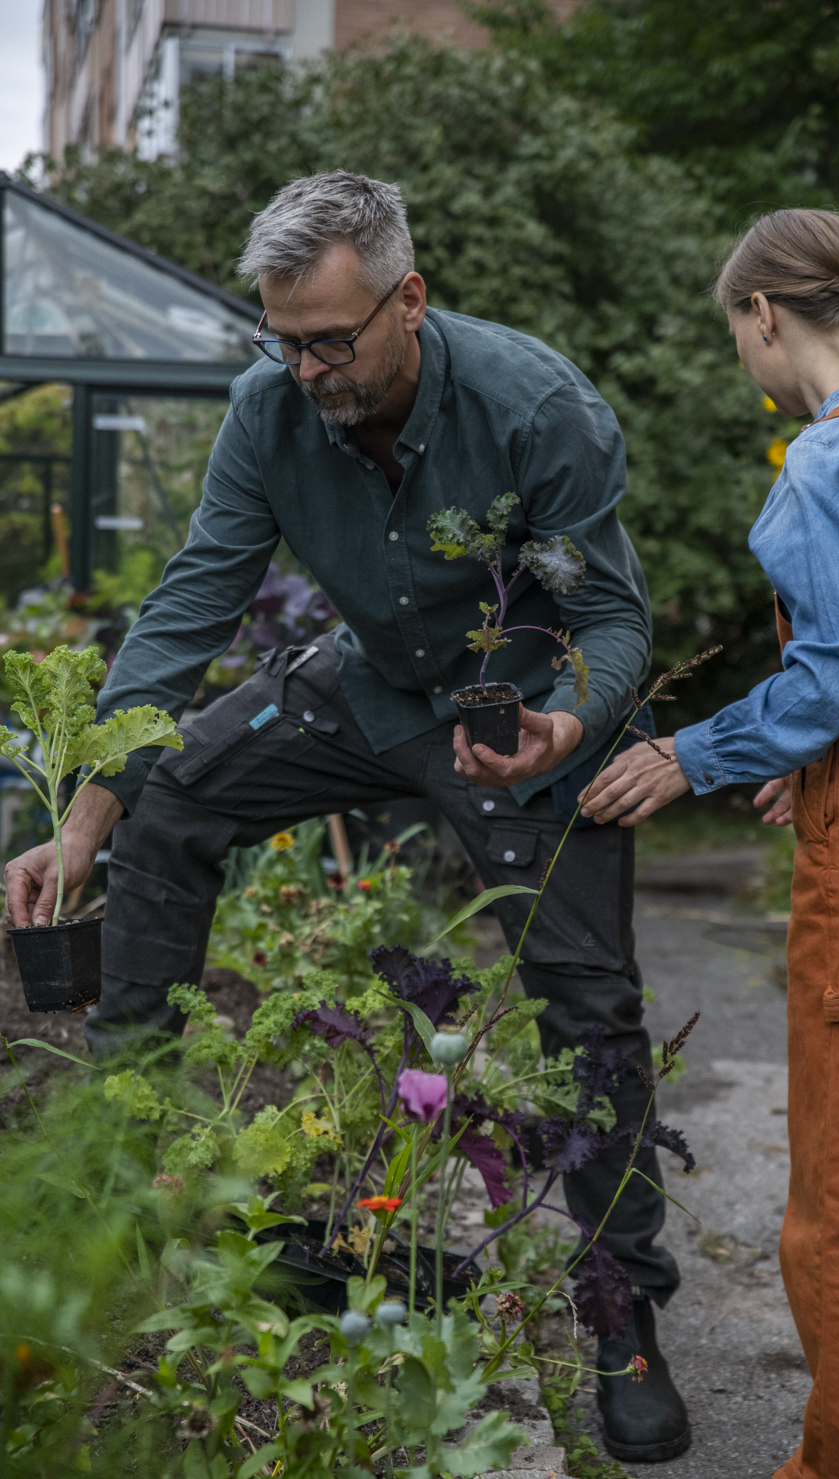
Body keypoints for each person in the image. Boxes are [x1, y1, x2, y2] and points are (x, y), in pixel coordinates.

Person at [4, 170, 691, 1463]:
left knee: (589, 999)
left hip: (522, 712)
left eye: (330, 338)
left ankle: (624, 1310)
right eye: (281, 336)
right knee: (174, 800)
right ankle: (131, 1155)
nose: (305, 365)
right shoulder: (268, 409)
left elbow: (609, 616)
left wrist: (564, 722)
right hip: (368, 687)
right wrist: (86, 809)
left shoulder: (534, 409)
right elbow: (190, 604)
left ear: (408, 300)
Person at [581, 206, 839, 1479]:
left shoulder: (827, 462)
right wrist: (812, 749)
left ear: (763, 315)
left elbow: (826, 681)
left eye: (734, 334)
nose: (741, 359)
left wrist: (684, 753)